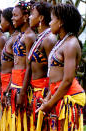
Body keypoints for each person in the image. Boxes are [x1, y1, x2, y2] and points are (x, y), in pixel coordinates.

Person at [36, 4, 85, 131]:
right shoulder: (62, 42)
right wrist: (47, 100)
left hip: (69, 98)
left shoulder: (71, 44)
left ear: (61, 22)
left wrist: (50, 104)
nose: (50, 23)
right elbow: (57, 78)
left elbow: (68, 80)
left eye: (52, 19)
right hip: (59, 95)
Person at [17, 2, 57, 130]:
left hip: (44, 92)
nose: (29, 17)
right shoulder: (39, 38)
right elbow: (29, 66)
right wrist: (23, 92)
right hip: (35, 92)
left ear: (41, 18)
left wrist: (48, 98)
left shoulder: (49, 39)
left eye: (32, 14)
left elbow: (54, 71)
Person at [8, 1, 35, 130]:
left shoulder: (29, 36)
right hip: (15, 82)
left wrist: (23, 93)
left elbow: (29, 66)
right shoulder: (20, 35)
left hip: (22, 84)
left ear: (25, 17)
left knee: (24, 124)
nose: (12, 18)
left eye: (15, 15)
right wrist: (10, 85)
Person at [0, 7, 19, 130]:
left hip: (10, 83)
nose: (0, 23)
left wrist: (7, 90)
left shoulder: (16, 39)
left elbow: (15, 66)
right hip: (5, 82)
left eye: (1, 20)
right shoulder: (10, 38)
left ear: (8, 22)